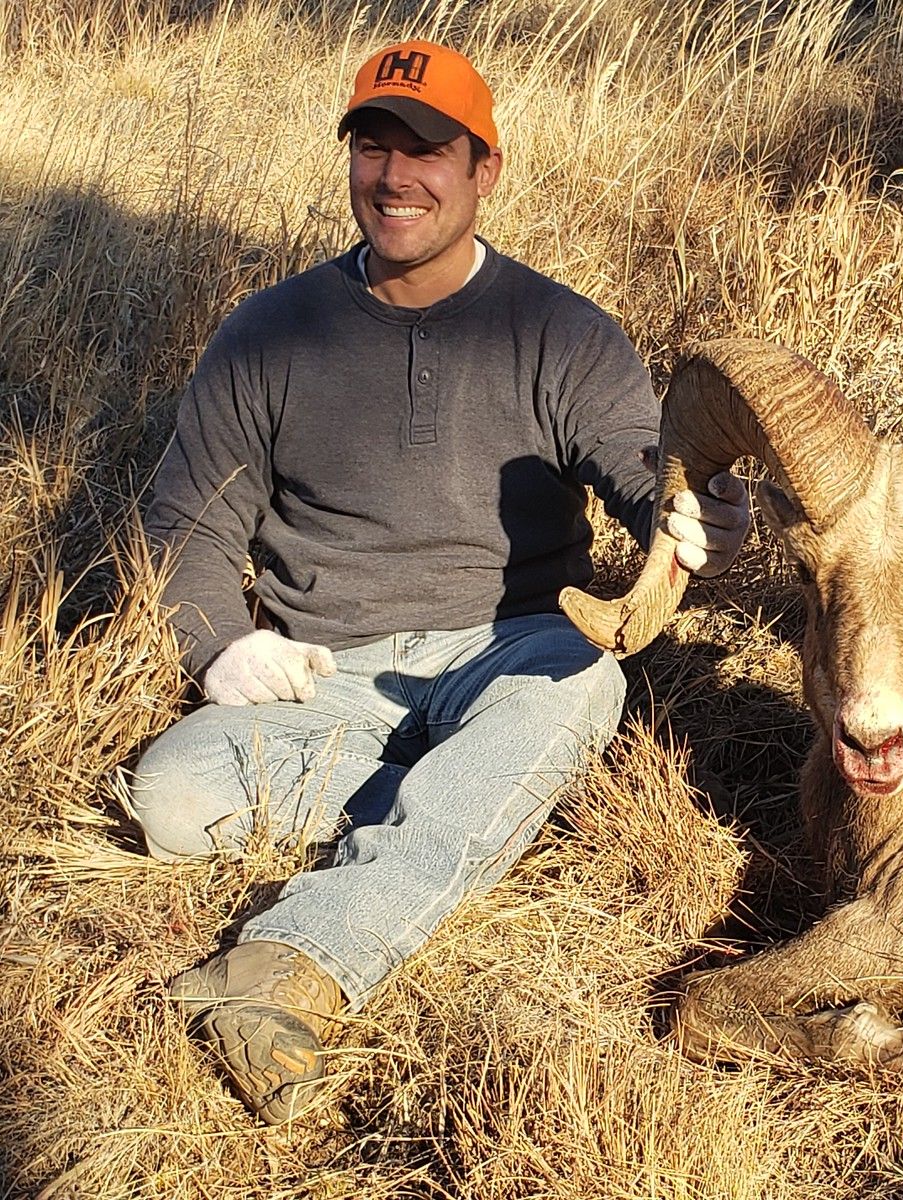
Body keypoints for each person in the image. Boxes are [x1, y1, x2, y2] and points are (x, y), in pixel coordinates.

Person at [130, 40, 749, 1125]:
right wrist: (220, 645)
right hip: (325, 673)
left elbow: (636, 463)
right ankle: (484, 806)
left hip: (508, 648)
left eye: (427, 150)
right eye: (373, 145)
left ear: (484, 171)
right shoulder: (267, 335)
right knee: (170, 798)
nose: (396, 176)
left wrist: (691, 511)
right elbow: (186, 516)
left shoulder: (559, 330)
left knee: (582, 685)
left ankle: (288, 967)